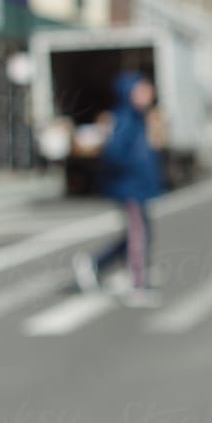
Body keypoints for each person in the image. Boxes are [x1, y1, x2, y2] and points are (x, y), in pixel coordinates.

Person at [72, 71, 164, 308]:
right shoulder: (124, 118)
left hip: (138, 187)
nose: (148, 94)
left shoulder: (139, 117)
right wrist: (135, 170)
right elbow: (113, 153)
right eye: (141, 90)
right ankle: (138, 285)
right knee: (138, 235)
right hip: (129, 187)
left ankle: (95, 265)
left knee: (138, 234)